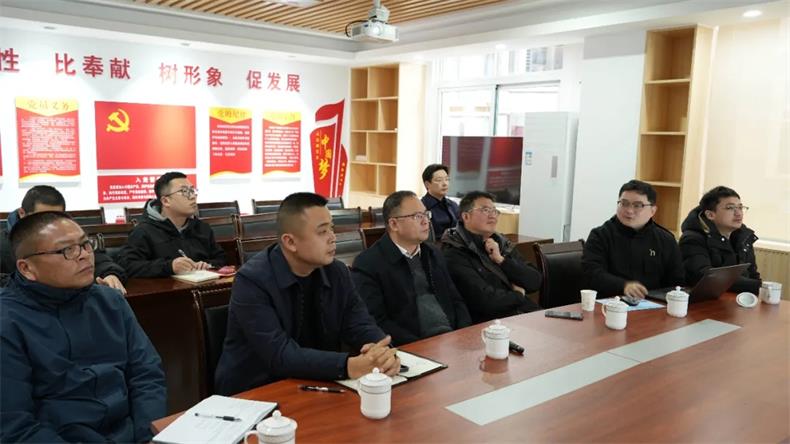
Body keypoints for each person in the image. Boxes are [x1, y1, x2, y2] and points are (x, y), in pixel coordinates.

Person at [0, 211, 166, 443]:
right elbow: (14, 424)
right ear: (27, 268)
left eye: (86, 244)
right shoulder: (8, 320)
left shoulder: (111, 301)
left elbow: (147, 375)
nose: (84, 256)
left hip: (130, 433)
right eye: (67, 250)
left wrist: (148, 436)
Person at [214, 193, 398, 396]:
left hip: (317, 382)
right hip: (255, 390)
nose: (333, 238)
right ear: (290, 242)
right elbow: (279, 354)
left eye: (332, 228)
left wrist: (384, 353)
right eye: (322, 232)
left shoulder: (337, 272)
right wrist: (348, 366)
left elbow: (359, 323)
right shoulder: (252, 281)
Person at [352, 191, 471, 346]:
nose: (426, 221)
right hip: (412, 347)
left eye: (426, 214)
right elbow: (377, 321)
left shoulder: (433, 253)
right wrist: (420, 347)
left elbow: (456, 299)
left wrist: (463, 334)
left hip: (451, 339)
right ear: (394, 224)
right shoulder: (368, 263)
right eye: (417, 216)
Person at [0, 185, 127, 293]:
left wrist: (110, 274)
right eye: (42, 218)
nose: (50, 225)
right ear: (22, 213)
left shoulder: (72, 235)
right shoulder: (3, 244)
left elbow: (100, 259)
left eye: (56, 217)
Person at [441, 191, 542, 323]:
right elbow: (485, 301)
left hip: (524, 314)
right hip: (492, 324)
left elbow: (534, 281)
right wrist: (518, 295)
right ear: (466, 216)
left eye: (495, 211)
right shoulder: (454, 251)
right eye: (485, 210)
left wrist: (502, 261)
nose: (492, 215)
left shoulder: (501, 243)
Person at [582, 180, 684, 299]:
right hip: (610, 303)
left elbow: (676, 281)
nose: (629, 211)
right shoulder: (600, 235)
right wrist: (623, 286)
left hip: (654, 304)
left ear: (653, 211)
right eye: (624, 203)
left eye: (637, 205)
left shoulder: (665, 240)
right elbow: (592, 274)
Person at [118, 172, 225, 278]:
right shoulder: (143, 231)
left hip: (204, 285)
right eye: (184, 191)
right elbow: (128, 266)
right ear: (166, 201)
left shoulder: (202, 228)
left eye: (192, 190)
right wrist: (169, 267)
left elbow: (221, 258)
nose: (192, 196)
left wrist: (209, 265)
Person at [679, 186, 761, 293]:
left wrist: (760, 288)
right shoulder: (692, 239)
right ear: (710, 215)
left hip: (738, 298)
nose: (738, 213)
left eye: (740, 207)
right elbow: (705, 277)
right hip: (705, 300)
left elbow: (753, 275)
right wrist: (754, 286)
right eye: (730, 208)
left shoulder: (744, 238)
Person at [421, 164, 460, 240]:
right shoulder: (422, 207)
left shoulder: (453, 205)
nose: (445, 183)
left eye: (447, 179)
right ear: (427, 184)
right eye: (439, 180)